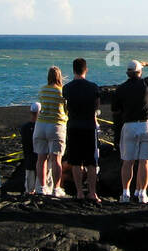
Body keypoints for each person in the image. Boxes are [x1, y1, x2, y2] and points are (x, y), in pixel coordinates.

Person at [111, 59, 148, 204]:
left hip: (129, 125)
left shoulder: (121, 89)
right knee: (145, 162)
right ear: (140, 72)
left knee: (127, 162)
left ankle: (125, 193)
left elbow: (115, 110)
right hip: (147, 124)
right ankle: (142, 194)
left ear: (127, 73)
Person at [62, 58, 101, 202]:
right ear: (86, 69)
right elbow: (96, 109)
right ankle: (92, 192)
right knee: (91, 162)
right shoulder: (93, 87)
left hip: (73, 126)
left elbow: (66, 107)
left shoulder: (67, 88)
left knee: (76, 161)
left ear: (73, 70)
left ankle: (79, 192)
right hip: (89, 126)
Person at [34, 66, 68, 196]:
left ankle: (42, 187)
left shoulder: (43, 90)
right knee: (56, 158)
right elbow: (65, 108)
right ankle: (56, 188)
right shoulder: (61, 91)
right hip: (56, 125)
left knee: (41, 158)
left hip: (41, 124)